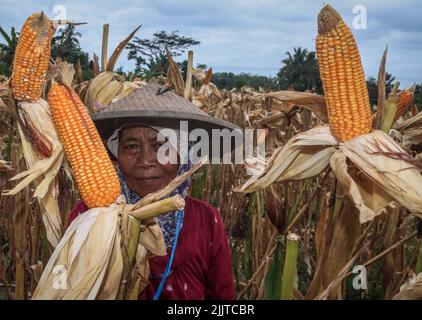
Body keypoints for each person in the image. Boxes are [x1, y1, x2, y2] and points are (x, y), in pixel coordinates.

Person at [68, 83, 237, 300]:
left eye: (160, 146)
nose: (146, 161)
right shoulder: (88, 216)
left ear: (183, 157)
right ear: (116, 155)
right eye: (131, 146)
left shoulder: (206, 219)